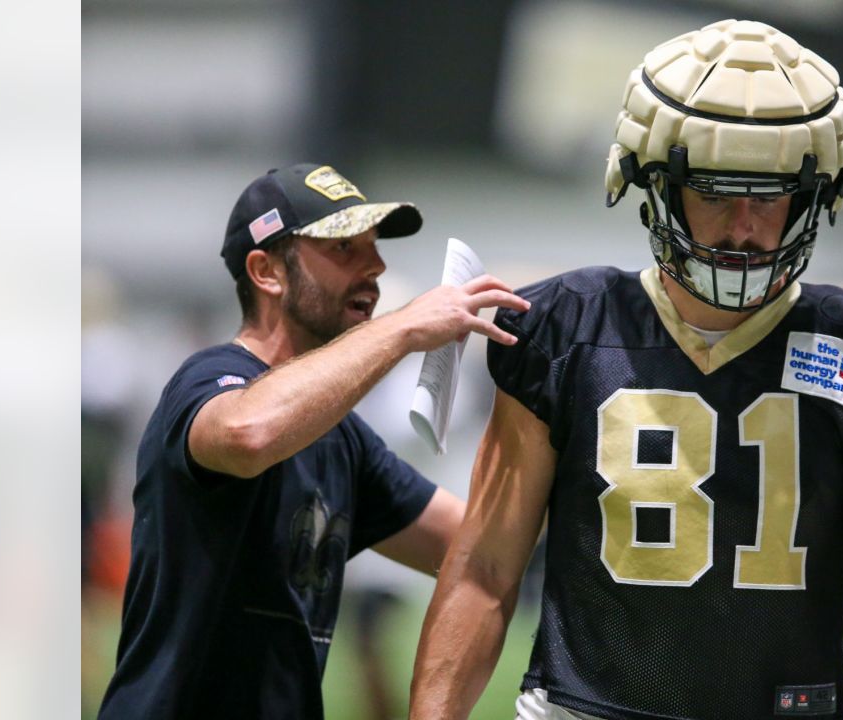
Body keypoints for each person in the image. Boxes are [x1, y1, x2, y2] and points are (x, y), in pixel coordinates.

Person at [409, 18, 843, 720]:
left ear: (816, 193)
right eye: (713, 191)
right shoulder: (567, 332)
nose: (743, 225)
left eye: (769, 195)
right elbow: (485, 569)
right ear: (654, 185)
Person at [97, 162, 529, 719]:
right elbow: (248, 434)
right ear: (267, 271)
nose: (375, 266)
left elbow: (475, 545)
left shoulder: (343, 436)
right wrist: (402, 327)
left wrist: (549, 418)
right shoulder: (208, 378)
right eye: (345, 247)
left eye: (373, 247)